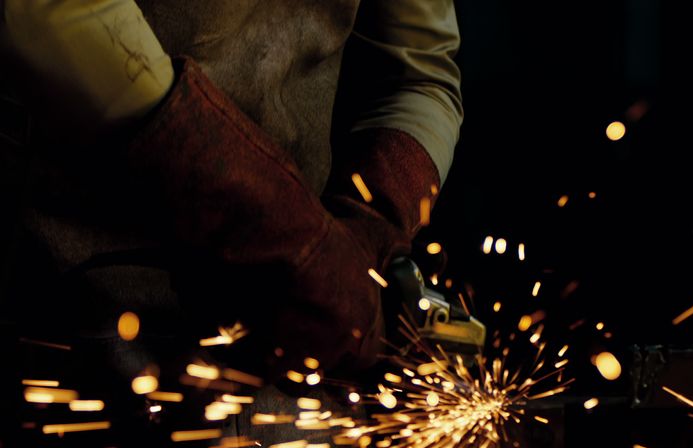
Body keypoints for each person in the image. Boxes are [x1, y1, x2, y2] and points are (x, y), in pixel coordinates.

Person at [0, 0, 463, 375]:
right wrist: (274, 225)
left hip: (281, 375)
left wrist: (372, 224)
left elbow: (420, 73)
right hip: (60, 342)